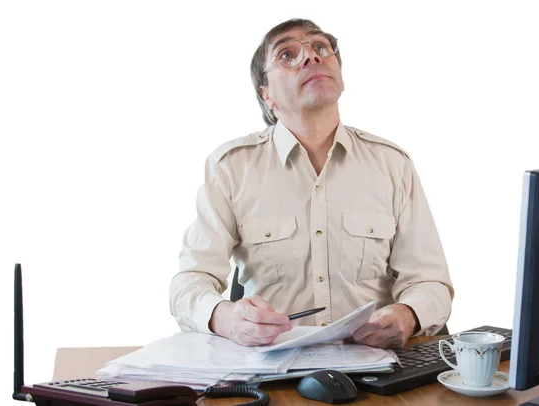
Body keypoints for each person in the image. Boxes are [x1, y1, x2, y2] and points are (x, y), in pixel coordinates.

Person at [169, 18, 454, 349]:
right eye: (287, 54)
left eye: (321, 47)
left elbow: (431, 282)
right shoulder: (231, 168)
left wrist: (408, 315)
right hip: (274, 373)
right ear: (267, 95)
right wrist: (224, 317)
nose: (311, 57)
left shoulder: (393, 164)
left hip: (377, 371)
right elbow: (189, 283)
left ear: (341, 75)